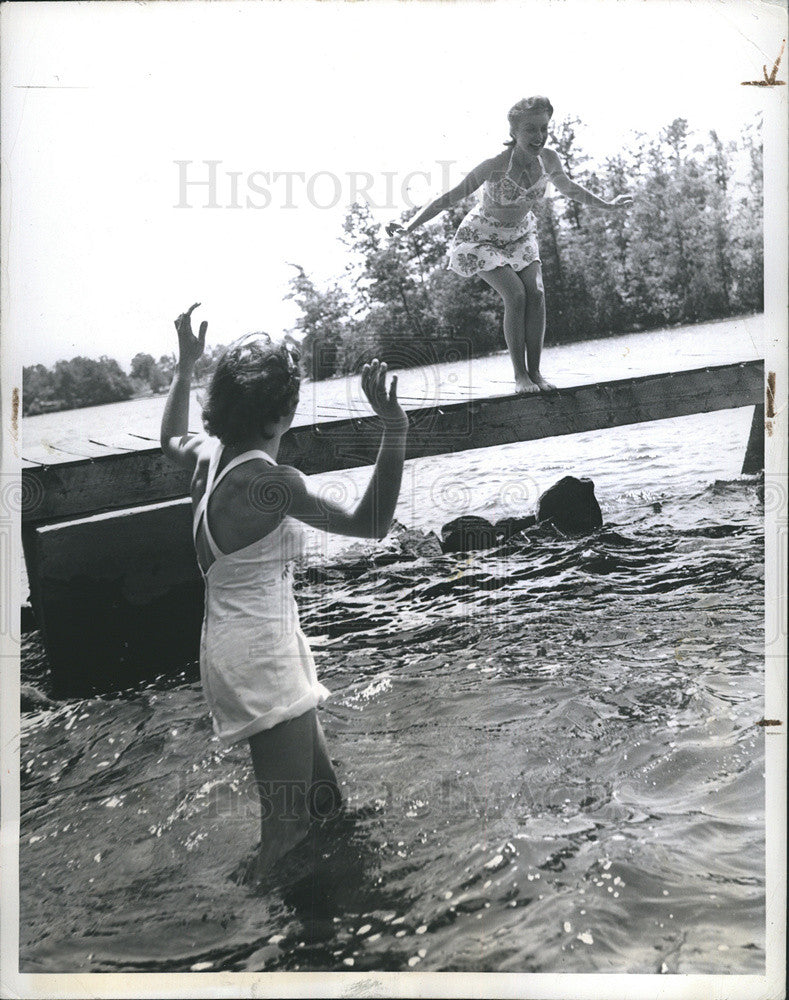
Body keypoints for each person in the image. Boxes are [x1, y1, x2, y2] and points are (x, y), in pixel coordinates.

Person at [160, 303, 408, 878]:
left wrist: (183, 367)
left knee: (326, 805)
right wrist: (394, 429)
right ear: (283, 414)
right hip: (261, 656)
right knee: (289, 831)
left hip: (237, 646)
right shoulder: (271, 482)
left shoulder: (208, 456)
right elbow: (371, 524)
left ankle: (329, 899)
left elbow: (171, 435)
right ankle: (258, 948)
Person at [388, 96, 632, 394]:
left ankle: (536, 373)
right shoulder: (495, 166)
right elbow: (448, 197)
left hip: (519, 235)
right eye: (530, 129)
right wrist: (409, 226)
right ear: (514, 132)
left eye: (544, 128)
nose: (539, 136)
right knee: (516, 295)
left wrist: (607, 205)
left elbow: (569, 188)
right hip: (482, 236)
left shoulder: (549, 159)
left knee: (537, 293)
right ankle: (520, 377)